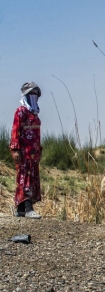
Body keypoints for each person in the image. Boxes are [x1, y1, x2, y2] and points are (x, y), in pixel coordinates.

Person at [10, 82, 43, 219]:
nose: (34, 96)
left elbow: (37, 133)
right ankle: (28, 208)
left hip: (33, 153)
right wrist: (15, 149)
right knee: (24, 178)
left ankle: (21, 209)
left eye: (36, 94)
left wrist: (39, 149)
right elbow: (15, 130)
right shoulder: (21, 111)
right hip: (24, 152)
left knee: (30, 177)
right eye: (31, 94)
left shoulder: (34, 113)